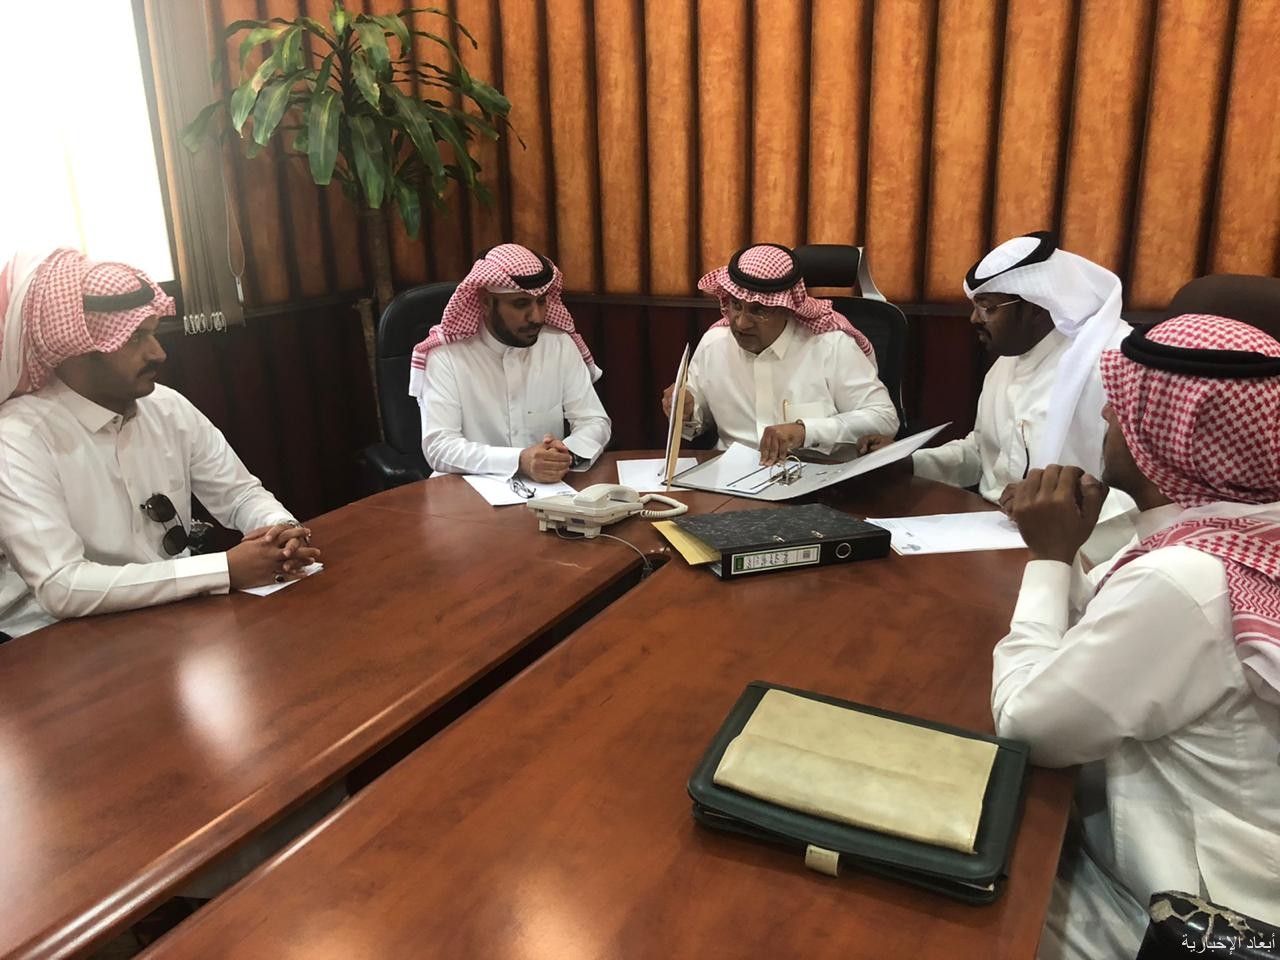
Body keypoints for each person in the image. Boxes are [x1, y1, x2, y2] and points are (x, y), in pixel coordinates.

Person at [995, 314, 1280, 959]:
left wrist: (1049, 558)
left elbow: (1026, 728)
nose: (1107, 419)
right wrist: (1065, 548)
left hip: (1185, 915)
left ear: (1166, 433)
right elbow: (1105, 630)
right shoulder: (1238, 530)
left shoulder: (1187, 579)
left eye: (1121, 408)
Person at [0, 249, 319, 639]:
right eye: (136, 337)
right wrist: (223, 570)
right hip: (51, 641)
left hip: (172, 616)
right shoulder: (17, 439)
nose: (158, 353)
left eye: (152, 333)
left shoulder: (167, 406)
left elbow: (240, 495)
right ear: (77, 349)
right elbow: (61, 586)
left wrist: (281, 533)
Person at [860, 231, 1130, 513]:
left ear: (1036, 308)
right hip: (990, 523)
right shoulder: (1005, 364)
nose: (974, 319)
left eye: (987, 307)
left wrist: (1056, 503)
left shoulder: (1111, 365)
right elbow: (984, 453)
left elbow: (1141, 487)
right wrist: (908, 462)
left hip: (1084, 535)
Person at [662, 243, 898, 465]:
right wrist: (685, 411)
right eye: (736, 305)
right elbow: (697, 424)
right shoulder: (714, 344)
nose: (741, 323)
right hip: (731, 476)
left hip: (817, 478)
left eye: (759, 310)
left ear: (787, 309)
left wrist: (806, 431)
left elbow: (884, 418)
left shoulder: (831, 345)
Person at [410, 243, 611, 481]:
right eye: (521, 304)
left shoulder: (558, 344)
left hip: (549, 490)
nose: (536, 317)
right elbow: (439, 447)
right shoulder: (446, 356)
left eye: (541, 301)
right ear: (486, 302)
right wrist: (519, 461)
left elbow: (593, 420)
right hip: (467, 493)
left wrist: (565, 454)